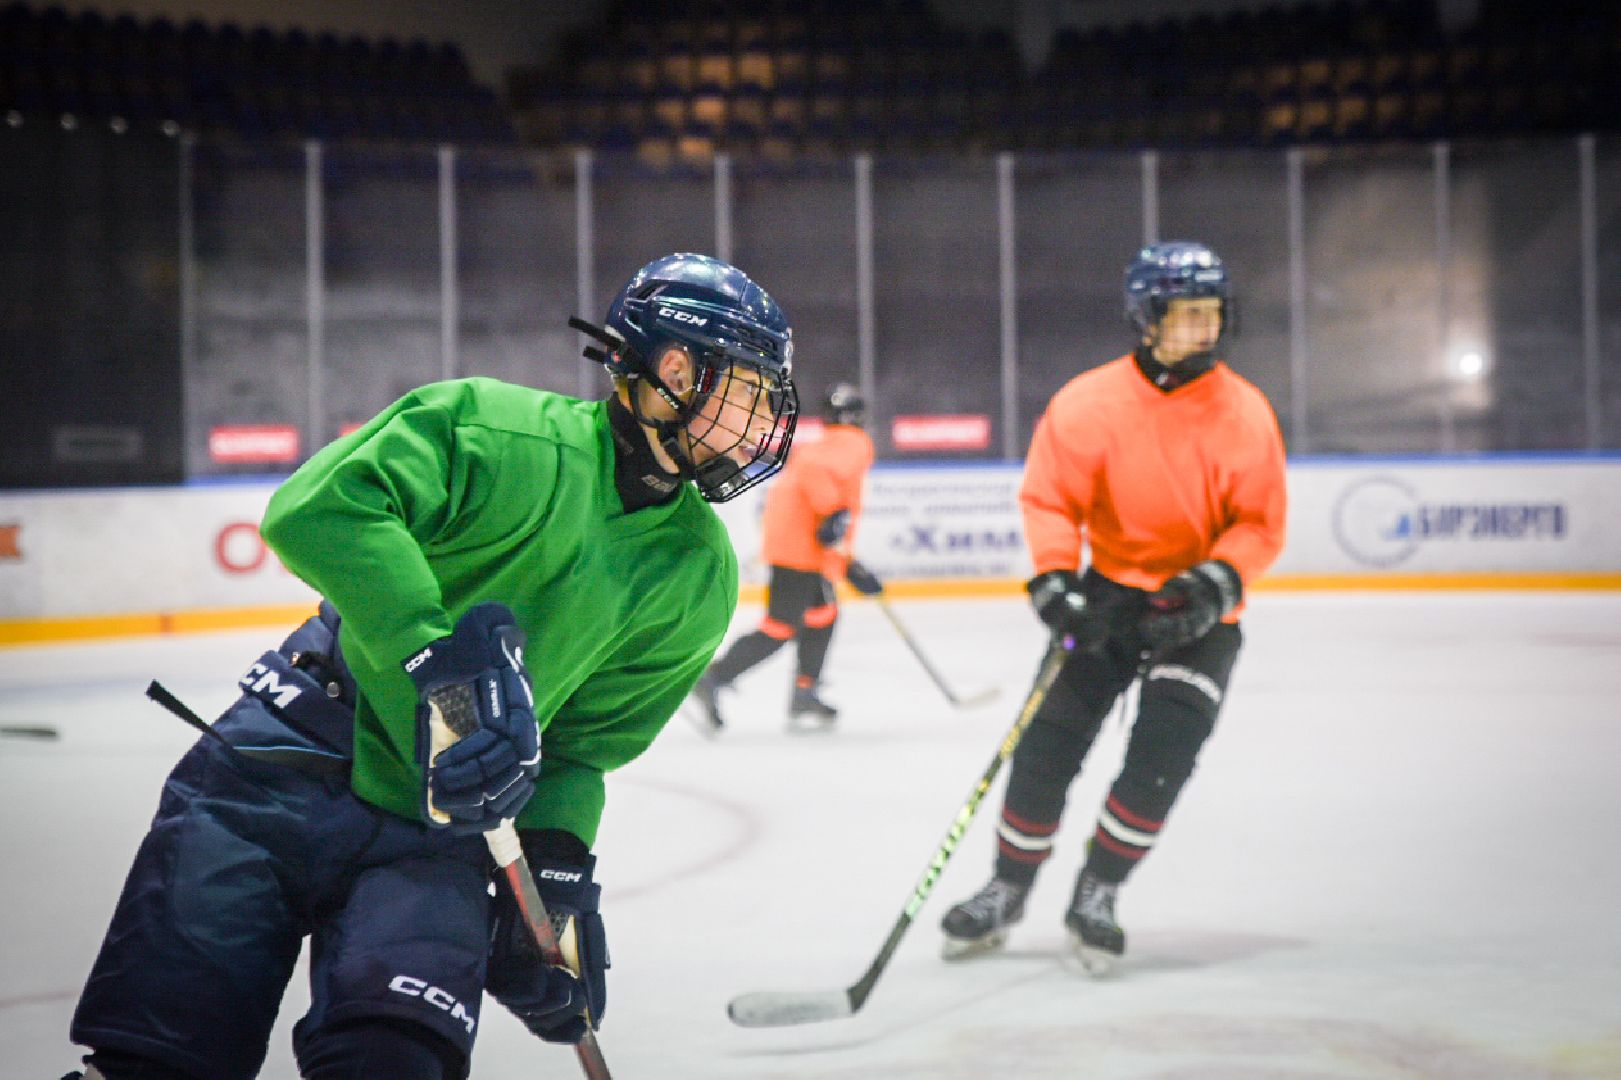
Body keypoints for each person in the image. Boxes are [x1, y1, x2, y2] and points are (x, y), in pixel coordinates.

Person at [63, 253, 799, 1080]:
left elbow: (581, 749)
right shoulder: (490, 429)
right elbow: (317, 508)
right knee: (154, 1067)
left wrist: (552, 881)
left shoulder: (698, 574)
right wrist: (428, 653)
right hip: (276, 772)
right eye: (750, 387)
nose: (764, 416)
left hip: (434, 837)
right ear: (671, 369)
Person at [939, 241, 1287, 975]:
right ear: (1145, 316)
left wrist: (1213, 583)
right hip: (1107, 597)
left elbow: (1258, 522)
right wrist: (1055, 581)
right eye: (1185, 313)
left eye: (1211, 313)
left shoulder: (1245, 412)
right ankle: (1007, 888)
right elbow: (1050, 500)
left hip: (1198, 613)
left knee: (1158, 762)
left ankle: (1098, 891)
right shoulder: (1086, 402)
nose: (1203, 327)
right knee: (1041, 754)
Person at [688, 381, 882, 733]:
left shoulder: (825, 443)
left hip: (797, 544)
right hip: (799, 550)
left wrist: (845, 562)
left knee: (823, 613)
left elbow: (820, 496)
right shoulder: (854, 442)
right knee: (779, 627)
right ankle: (713, 678)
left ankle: (804, 691)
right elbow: (820, 484)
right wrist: (833, 515)